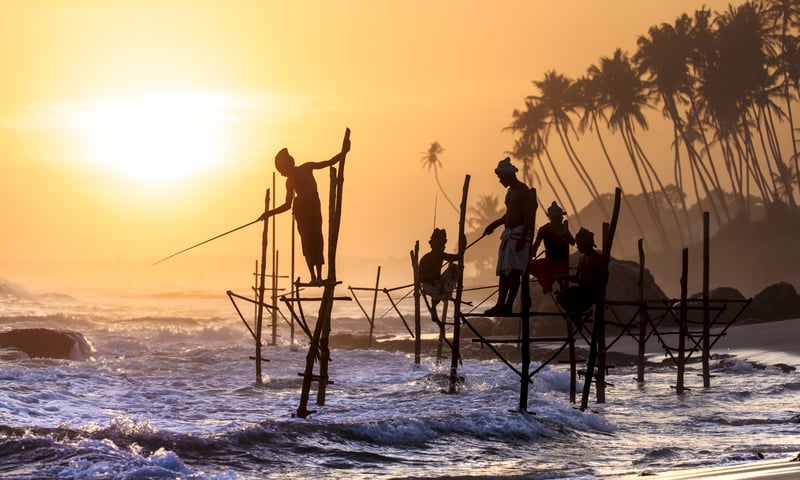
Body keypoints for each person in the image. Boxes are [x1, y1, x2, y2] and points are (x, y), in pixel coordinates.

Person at [259, 138, 351, 285]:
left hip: (313, 206)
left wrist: (344, 153)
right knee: (307, 243)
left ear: (289, 165)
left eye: (283, 171)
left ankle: (320, 277)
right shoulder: (289, 182)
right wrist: (268, 213)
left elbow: (328, 163)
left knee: (317, 240)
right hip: (301, 210)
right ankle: (313, 277)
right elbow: (287, 205)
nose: (283, 174)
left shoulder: (307, 167)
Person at [482, 157, 535, 315]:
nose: (500, 181)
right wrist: (494, 225)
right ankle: (500, 304)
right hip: (510, 234)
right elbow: (509, 215)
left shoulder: (523, 191)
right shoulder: (510, 192)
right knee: (505, 271)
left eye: (501, 177)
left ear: (509, 175)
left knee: (514, 272)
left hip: (519, 235)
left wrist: (522, 237)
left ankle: (508, 305)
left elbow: (529, 217)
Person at [556, 227, 609, 323]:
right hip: (581, 290)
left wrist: (599, 293)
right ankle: (576, 317)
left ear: (586, 244)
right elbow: (576, 277)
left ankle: (576, 316)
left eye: (579, 244)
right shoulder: (581, 259)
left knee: (579, 306)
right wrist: (564, 277)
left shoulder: (597, 259)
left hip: (592, 292)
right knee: (560, 297)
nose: (577, 247)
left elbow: (605, 276)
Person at [530, 201, 575, 294]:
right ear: (553, 218)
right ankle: (548, 285)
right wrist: (530, 256)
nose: (561, 218)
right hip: (550, 261)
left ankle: (561, 288)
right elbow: (536, 244)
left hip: (562, 261)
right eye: (559, 217)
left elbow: (572, 242)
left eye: (561, 217)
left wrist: (566, 233)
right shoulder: (544, 230)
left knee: (560, 277)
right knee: (532, 266)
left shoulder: (563, 227)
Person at [419, 228, 459, 308]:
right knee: (437, 289)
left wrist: (462, 249)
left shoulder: (440, 255)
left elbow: (455, 258)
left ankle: (445, 294)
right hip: (428, 285)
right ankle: (435, 305)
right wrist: (431, 277)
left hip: (438, 283)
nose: (443, 246)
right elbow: (420, 278)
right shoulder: (426, 258)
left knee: (454, 268)